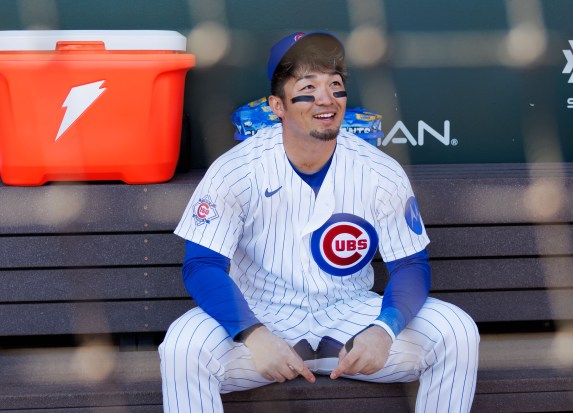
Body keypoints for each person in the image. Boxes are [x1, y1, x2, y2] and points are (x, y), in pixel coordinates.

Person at [159, 30, 479, 412]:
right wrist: (252, 333)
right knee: (182, 346)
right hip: (261, 317)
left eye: (335, 85)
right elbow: (202, 264)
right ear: (277, 105)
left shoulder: (379, 171)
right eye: (308, 86)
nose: (326, 99)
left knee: (456, 331)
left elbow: (410, 264)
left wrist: (385, 328)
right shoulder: (237, 169)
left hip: (352, 316)